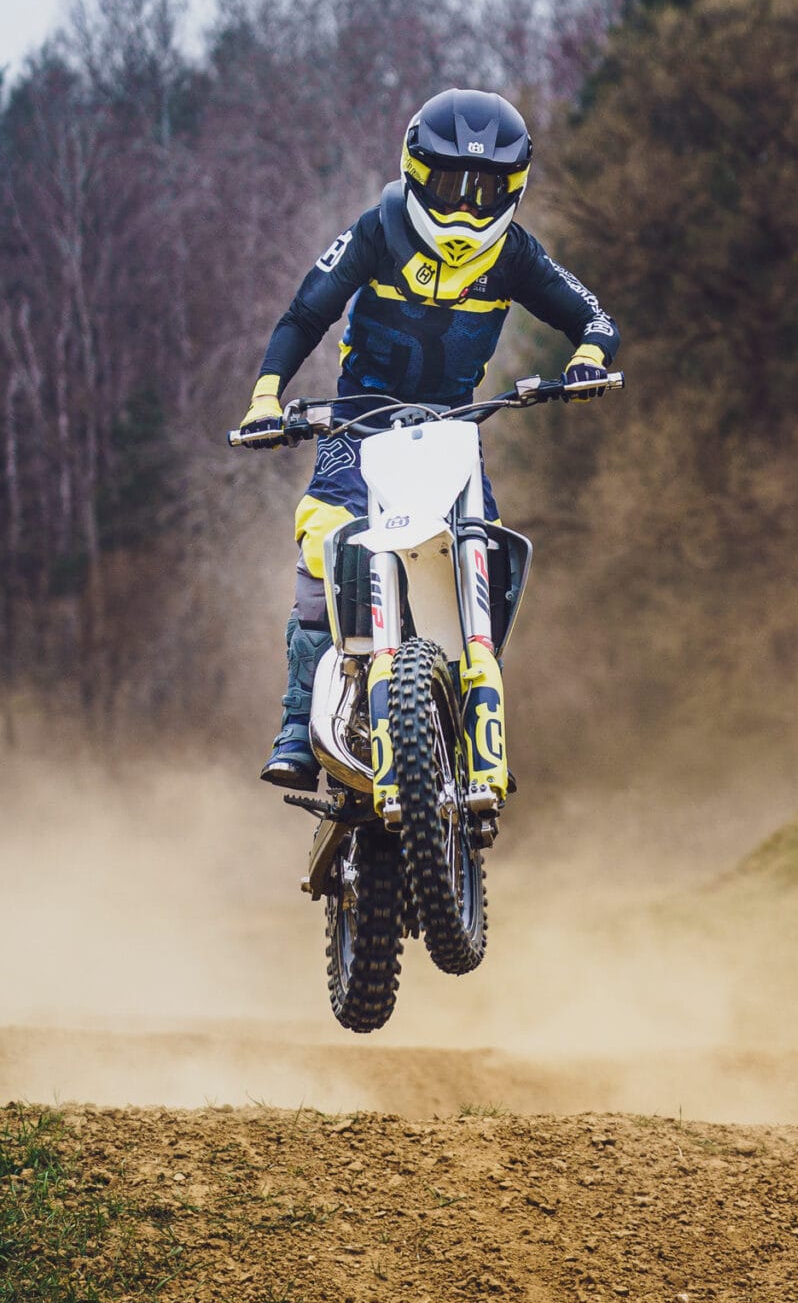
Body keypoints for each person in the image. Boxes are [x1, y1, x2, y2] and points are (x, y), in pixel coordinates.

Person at [239, 88, 621, 790]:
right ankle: (298, 721)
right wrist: (267, 395)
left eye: (485, 192)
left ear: (513, 190)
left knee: (484, 551)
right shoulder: (376, 232)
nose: (466, 210)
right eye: (449, 186)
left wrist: (588, 358)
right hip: (358, 421)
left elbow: (593, 316)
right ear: (415, 173)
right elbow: (304, 314)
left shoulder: (515, 255)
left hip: (452, 427)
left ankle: (469, 721)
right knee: (324, 535)